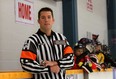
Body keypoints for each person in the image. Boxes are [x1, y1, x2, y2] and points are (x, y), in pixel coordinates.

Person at [20, 7, 74, 79]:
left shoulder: (61, 39)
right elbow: (25, 63)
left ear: (53, 20)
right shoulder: (32, 41)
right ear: (38, 21)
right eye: (43, 17)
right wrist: (49, 69)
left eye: (49, 17)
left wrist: (56, 63)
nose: (46, 20)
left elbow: (71, 60)